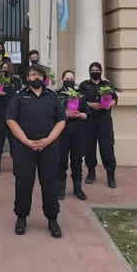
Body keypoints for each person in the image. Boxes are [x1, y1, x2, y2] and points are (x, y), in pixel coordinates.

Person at [6, 64, 66, 237]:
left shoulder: (53, 97)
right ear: (27, 78)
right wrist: (26, 141)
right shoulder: (19, 97)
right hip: (24, 148)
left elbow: (61, 120)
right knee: (24, 183)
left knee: (50, 184)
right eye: (32, 74)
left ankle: (52, 219)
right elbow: (10, 119)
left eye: (39, 74)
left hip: (49, 148)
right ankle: (22, 217)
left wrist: (48, 140)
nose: (36, 77)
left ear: (44, 78)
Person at [81, 61, 118, 188]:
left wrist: (108, 104)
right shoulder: (84, 85)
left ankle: (111, 175)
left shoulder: (107, 85)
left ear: (101, 71)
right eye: (93, 70)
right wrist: (90, 105)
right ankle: (91, 173)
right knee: (89, 148)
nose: (95, 72)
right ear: (89, 71)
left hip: (104, 121)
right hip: (89, 122)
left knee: (107, 148)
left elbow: (114, 99)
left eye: (97, 70)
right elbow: (78, 101)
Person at [56, 69, 88, 201]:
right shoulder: (57, 95)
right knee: (61, 162)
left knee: (77, 162)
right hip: (62, 133)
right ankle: (61, 188)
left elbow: (87, 114)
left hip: (78, 133)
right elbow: (53, 113)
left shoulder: (80, 95)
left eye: (71, 78)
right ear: (62, 79)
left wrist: (80, 114)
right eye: (67, 78)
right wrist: (65, 114)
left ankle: (78, 188)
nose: (69, 81)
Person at [0, 57, 20, 176]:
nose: (4, 70)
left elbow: (16, 94)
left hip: (12, 115)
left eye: (6, 68)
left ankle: (17, 164)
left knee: (14, 141)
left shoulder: (15, 80)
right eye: (3, 68)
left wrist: (5, 93)